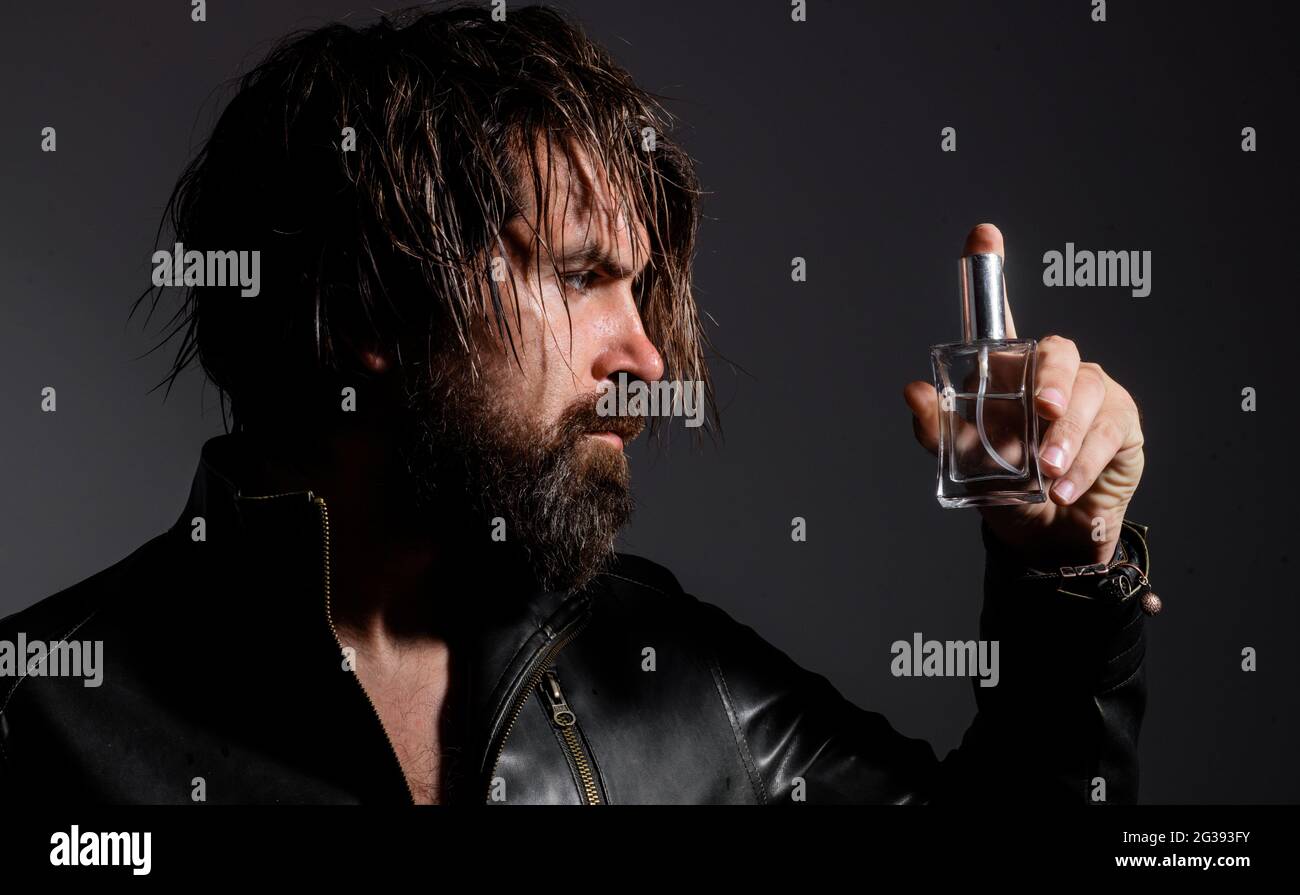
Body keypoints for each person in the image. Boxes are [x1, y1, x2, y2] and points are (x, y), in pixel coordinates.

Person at [0, 3, 1150, 805]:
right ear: (367, 307)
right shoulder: (40, 719)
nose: (646, 352)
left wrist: (1062, 578)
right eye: (576, 274)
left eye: (639, 286)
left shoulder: (679, 678)